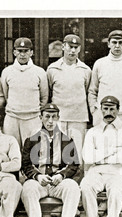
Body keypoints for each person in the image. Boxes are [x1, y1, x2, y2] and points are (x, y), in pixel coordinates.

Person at [21, 103, 81, 217]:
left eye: (54, 117)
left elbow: (73, 165)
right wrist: (37, 176)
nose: (50, 121)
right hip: (40, 183)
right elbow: (26, 164)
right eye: (47, 117)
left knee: (72, 187)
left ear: (58, 118)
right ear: (41, 118)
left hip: (57, 183)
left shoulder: (66, 140)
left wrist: (61, 175)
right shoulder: (32, 140)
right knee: (28, 188)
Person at [80, 96, 122, 217]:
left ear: (118, 109)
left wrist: (100, 155)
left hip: (119, 172)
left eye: (112, 109)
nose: (108, 112)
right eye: (105, 108)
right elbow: (87, 157)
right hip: (96, 172)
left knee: (116, 190)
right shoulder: (93, 131)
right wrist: (114, 151)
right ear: (101, 110)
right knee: (86, 186)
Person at [47, 34, 92, 168]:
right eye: (69, 47)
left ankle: (77, 184)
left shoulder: (85, 70)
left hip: (78, 118)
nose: (72, 50)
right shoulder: (52, 69)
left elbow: (88, 89)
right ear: (63, 47)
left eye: (75, 47)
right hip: (59, 118)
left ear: (79, 49)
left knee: (77, 152)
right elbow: (48, 91)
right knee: (57, 152)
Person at [87, 30, 122, 128]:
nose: (117, 46)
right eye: (114, 42)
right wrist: (94, 109)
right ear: (108, 44)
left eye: (121, 42)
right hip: (103, 114)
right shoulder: (100, 63)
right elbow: (92, 91)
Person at [1, 37, 49, 149]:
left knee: (33, 151)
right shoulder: (7, 72)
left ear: (31, 52)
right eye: (19, 51)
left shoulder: (39, 72)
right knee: (12, 150)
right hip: (12, 118)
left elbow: (44, 96)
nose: (22, 54)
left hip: (32, 118)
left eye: (26, 51)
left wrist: (33, 110)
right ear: (14, 52)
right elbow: (6, 94)